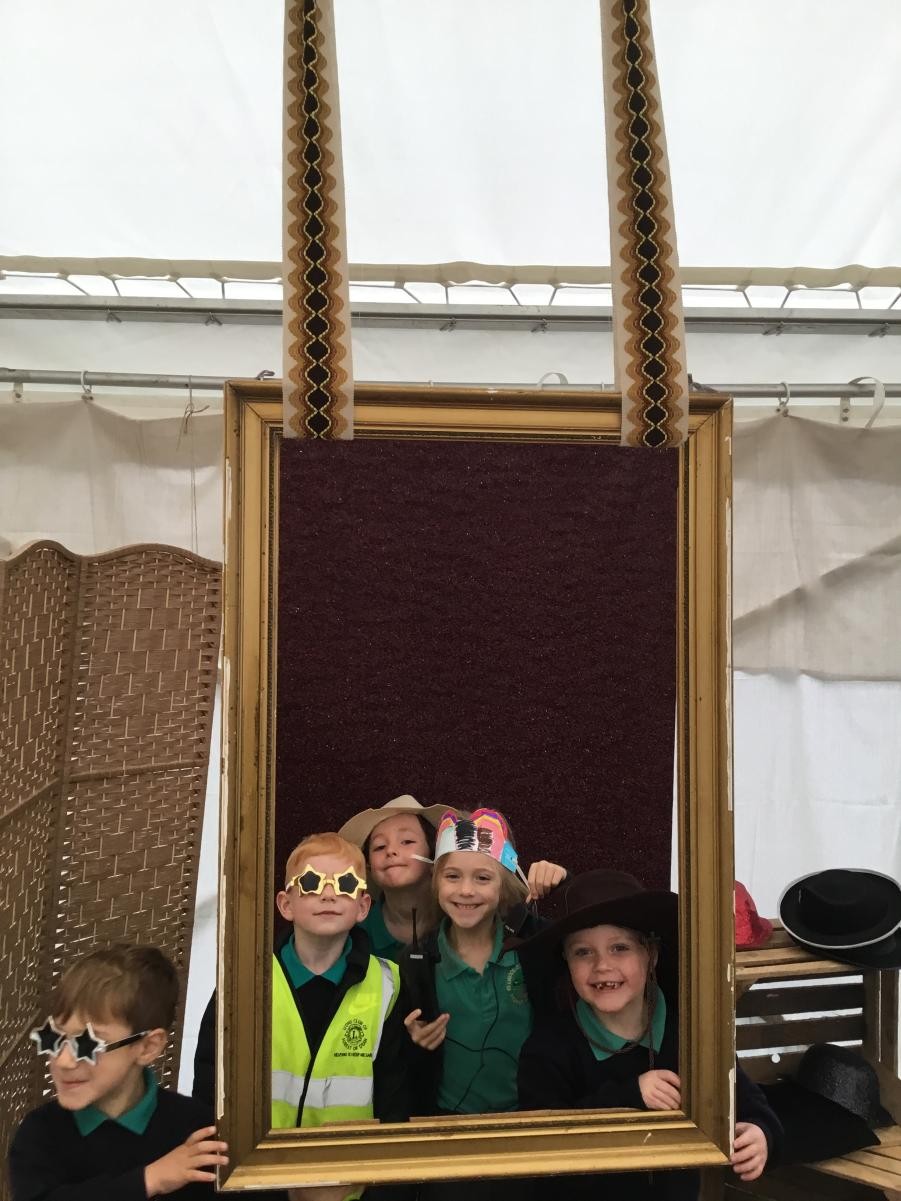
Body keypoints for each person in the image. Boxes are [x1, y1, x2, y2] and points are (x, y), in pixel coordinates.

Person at [516, 870, 784, 1200]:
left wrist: (760, 1132)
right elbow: (544, 1151)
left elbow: (745, 1100)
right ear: (566, 962)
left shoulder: (692, 1033)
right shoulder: (547, 1050)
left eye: (619, 948)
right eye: (583, 952)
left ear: (651, 955)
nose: (602, 965)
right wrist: (629, 1097)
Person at [8, 943, 228, 1201]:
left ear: (147, 1047)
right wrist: (149, 1180)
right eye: (54, 1038)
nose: (64, 1061)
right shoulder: (40, 1133)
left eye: (87, 1044)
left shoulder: (198, 1131)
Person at [399, 808, 554, 1130]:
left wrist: (562, 882)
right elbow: (400, 1065)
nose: (466, 890)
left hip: (532, 1116)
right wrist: (413, 1040)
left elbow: (588, 932)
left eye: (482, 878)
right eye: (452, 876)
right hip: (448, 1124)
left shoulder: (534, 945)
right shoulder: (417, 962)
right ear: (435, 882)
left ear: (504, 886)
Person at [339, 794, 566, 962]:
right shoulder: (353, 930)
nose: (391, 851)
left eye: (407, 841)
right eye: (379, 846)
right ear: (368, 864)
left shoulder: (470, 912)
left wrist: (561, 881)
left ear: (434, 856)